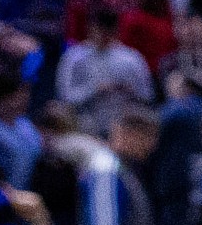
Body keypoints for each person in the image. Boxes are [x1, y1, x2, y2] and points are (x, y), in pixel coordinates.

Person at [54, 8, 154, 136]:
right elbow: (64, 96)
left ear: (116, 31)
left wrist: (131, 91)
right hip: (83, 127)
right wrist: (95, 89)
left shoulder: (132, 59)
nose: (103, 37)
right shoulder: (74, 57)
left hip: (122, 129)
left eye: (108, 32)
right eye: (99, 31)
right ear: (91, 29)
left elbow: (147, 96)